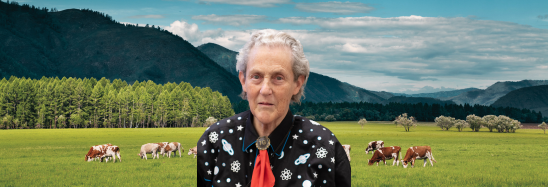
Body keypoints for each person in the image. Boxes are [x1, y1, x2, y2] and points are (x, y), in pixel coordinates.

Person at [197, 29, 351, 187]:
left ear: (297, 84)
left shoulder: (325, 147)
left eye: (278, 77)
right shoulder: (214, 141)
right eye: (256, 76)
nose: (265, 90)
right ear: (243, 80)